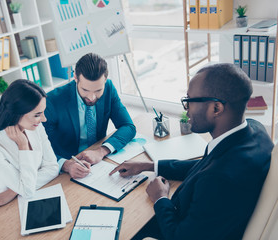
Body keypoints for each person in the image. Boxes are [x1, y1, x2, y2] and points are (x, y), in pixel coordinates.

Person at [110, 63, 274, 240]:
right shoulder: (255, 130)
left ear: (216, 108)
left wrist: (160, 198)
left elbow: (179, 237)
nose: (185, 108)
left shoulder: (218, 180)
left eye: (189, 100)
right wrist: (150, 165)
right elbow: (206, 165)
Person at [43, 53, 136, 178]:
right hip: (67, 168)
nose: (92, 98)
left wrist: (101, 151)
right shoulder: (52, 101)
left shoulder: (108, 88)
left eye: (98, 91)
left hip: (98, 163)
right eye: (85, 90)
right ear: (75, 77)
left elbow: (128, 126)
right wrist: (66, 165)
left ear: (105, 80)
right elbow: (41, 148)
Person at [0, 80, 59, 209]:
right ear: (17, 113)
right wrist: (23, 146)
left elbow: (53, 168)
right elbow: (27, 191)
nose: (44, 119)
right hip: (12, 206)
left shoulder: (35, 126)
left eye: (43, 112)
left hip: (41, 192)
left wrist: (12, 191)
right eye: (37, 115)